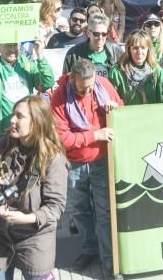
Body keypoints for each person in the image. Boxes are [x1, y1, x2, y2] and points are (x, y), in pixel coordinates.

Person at [0, 95, 68, 280]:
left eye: (19, 116)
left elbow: (55, 207)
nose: (12, 120)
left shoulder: (53, 159)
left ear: (37, 123)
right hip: (0, 235)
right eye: (13, 115)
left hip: (34, 238)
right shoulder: (1, 145)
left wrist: (27, 218)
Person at [50, 60, 124, 275]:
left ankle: (109, 259)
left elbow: (122, 109)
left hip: (102, 159)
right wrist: (94, 135)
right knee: (80, 209)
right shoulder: (59, 98)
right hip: (74, 163)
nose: (88, 91)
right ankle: (89, 248)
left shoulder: (103, 84)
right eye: (83, 88)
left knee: (104, 210)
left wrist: (115, 109)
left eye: (91, 86)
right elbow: (62, 138)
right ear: (72, 79)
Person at [0, 29, 55, 147]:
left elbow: (47, 83)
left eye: (15, 45)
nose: (12, 49)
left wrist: (41, 56)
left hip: (25, 130)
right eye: (8, 45)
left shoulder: (27, 65)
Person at [108, 31, 163, 105]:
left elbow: (161, 100)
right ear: (129, 50)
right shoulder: (117, 72)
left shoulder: (156, 70)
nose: (139, 52)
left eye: (143, 48)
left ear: (148, 49)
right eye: (135, 48)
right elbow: (112, 99)